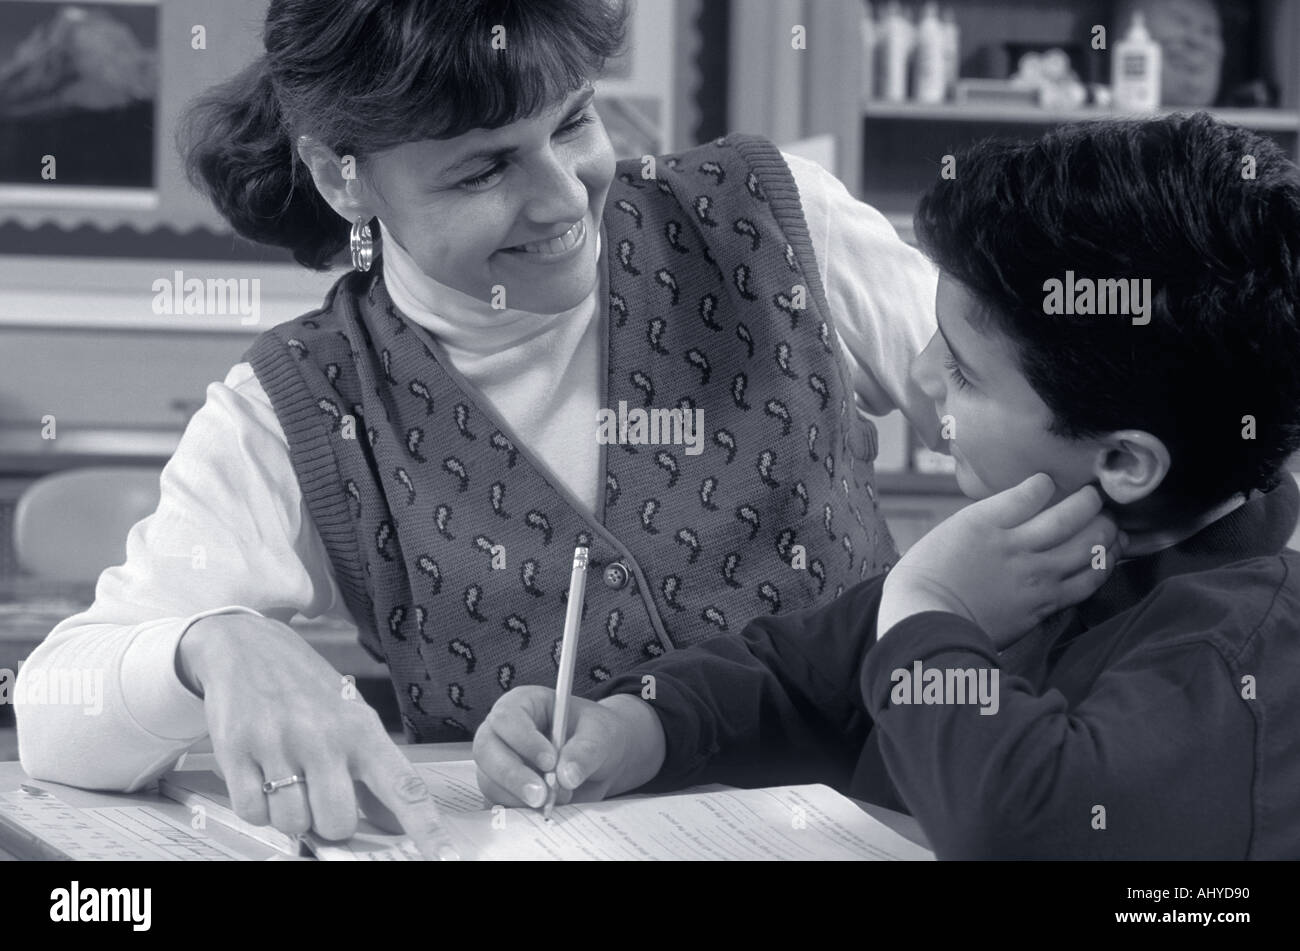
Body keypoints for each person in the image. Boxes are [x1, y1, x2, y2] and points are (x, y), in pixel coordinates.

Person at [16, 0, 940, 854]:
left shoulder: (778, 222)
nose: (563, 198)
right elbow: (56, 706)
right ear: (343, 182)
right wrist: (210, 645)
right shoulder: (298, 403)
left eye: (573, 120)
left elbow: (1048, 413)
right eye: (484, 167)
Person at [472, 113, 1300, 859]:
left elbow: (1020, 821)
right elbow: (797, 675)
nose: (919, 374)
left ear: (1124, 462)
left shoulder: (1239, 654)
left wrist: (934, 604)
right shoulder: (1046, 543)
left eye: (966, 374)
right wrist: (637, 724)